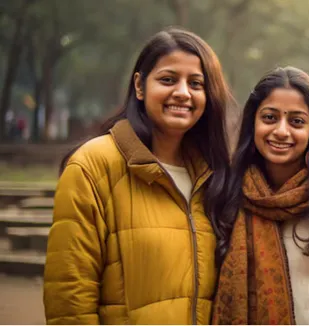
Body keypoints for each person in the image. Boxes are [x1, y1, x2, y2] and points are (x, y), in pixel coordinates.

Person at [43, 28, 235, 324]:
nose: (183, 92)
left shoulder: (214, 176)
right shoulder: (94, 165)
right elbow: (69, 296)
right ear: (140, 86)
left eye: (196, 83)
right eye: (168, 80)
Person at [212, 67, 309, 325]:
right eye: (269, 118)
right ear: (252, 122)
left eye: (296, 121)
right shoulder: (227, 193)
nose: (281, 131)